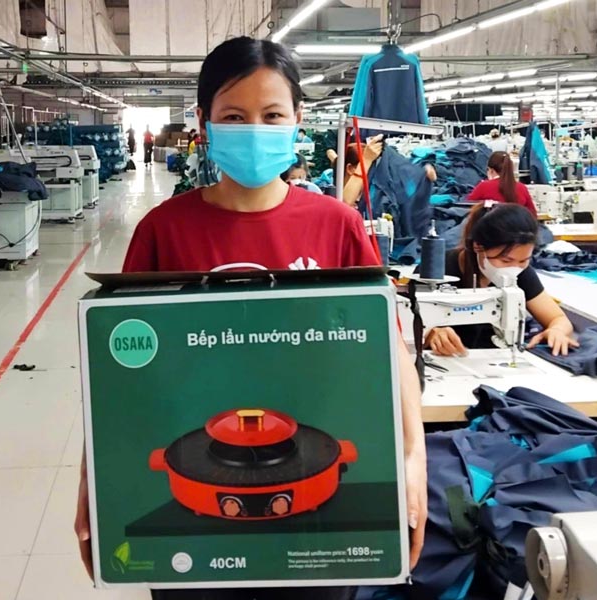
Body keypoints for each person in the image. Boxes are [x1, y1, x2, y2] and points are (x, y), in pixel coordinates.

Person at [75, 36, 428, 600]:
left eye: (271, 115)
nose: (255, 130)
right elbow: (120, 375)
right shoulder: (164, 230)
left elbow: (388, 350)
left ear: (297, 120)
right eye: (234, 116)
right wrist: (94, 482)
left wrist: (413, 459)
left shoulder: (335, 225)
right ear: (204, 121)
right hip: (197, 502)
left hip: (317, 505)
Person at [425, 202, 578, 358]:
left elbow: (558, 318)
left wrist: (557, 330)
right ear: (478, 246)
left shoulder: (521, 273)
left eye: (524, 260)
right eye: (505, 260)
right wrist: (431, 334)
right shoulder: (437, 270)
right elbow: (405, 325)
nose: (514, 268)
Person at [331, 138, 436, 208]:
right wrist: (366, 159)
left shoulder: (370, 195)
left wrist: (420, 174)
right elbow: (344, 205)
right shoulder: (332, 198)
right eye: (369, 167)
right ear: (350, 169)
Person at [468, 151, 538, 216]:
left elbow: (467, 209)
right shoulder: (522, 188)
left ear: (491, 170)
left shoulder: (484, 186)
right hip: (518, 227)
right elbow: (532, 214)